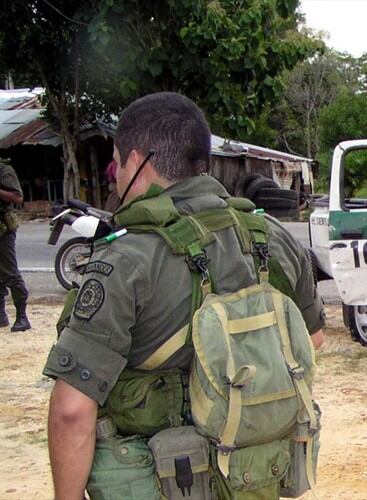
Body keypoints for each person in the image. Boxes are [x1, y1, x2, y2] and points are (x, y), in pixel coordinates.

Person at [42, 92, 325, 500]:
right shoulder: (271, 237)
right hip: (253, 478)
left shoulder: (124, 260)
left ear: (136, 160)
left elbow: (72, 411)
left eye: (117, 165)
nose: (116, 177)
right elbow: (312, 342)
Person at [0, 157, 30, 332]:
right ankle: (1, 315)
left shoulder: (4, 170)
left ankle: (22, 317)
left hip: (4, 228)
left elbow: (17, 197)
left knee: (10, 273)